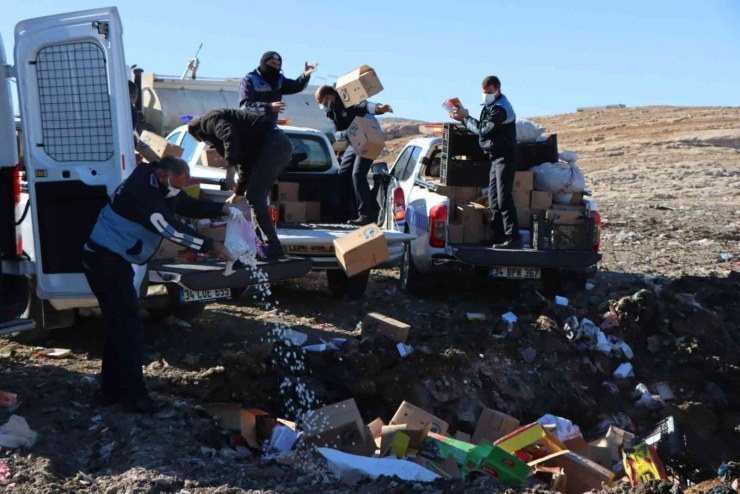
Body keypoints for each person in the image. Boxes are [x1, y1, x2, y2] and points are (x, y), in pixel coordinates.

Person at [83, 157, 235, 413]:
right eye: (177, 185)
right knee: (129, 328)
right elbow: (171, 230)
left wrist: (221, 209)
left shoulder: (160, 184)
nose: (178, 191)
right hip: (103, 260)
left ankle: (109, 392)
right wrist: (212, 246)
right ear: (164, 176)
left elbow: (184, 204)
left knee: (118, 327)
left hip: (111, 259)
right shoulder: (142, 193)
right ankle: (135, 397)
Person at [187, 108, 292, 259]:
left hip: (273, 145)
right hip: (275, 146)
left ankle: (273, 248)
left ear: (197, 133)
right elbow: (245, 164)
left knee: (255, 197)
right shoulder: (237, 134)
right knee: (253, 197)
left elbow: (229, 134)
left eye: (202, 141)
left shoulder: (209, 120)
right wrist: (238, 193)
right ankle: (260, 246)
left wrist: (229, 168)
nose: (206, 143)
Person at [452, 76, 520, 249]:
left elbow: (483, 130)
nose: (486, 96)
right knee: (494, 200)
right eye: (484, 92)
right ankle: (498, 237)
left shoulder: (500, 109)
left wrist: (465, 118)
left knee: (504, 199)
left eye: (489, 92)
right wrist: (463, 118)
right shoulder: (491, 106)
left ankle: (513, 239)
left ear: (498, 90)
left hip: (505, 157)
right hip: (495, 157)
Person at [315, 85, 393, 225]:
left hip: (369, 137)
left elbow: (364, 105)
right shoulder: (332, 111)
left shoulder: (347, 100)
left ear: (330, 96)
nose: (322, 105)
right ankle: (345, 213)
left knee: (358, 174)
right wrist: (345, 134)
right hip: (354, 140)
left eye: (322, 101)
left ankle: (366, 215)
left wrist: (379, 108)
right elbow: (336, 133)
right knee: (343, 172)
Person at [239, 51, 318, 123]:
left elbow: (295, 86)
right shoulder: (250, 79)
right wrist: (269, 107)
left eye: (278, 65)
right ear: (264, 63)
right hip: (251, 128)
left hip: (270, 128)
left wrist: (305, 76)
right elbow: (245, 107)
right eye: (272, 63)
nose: (276, 67)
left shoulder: (279, 80)